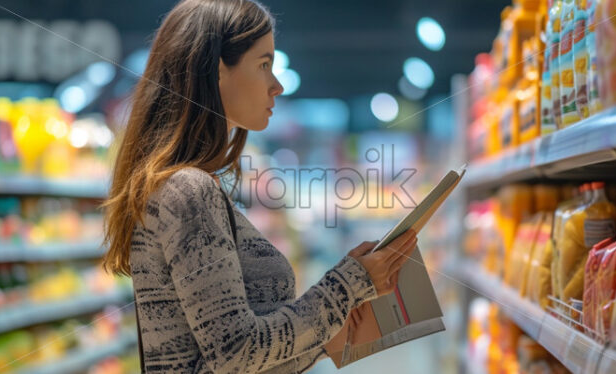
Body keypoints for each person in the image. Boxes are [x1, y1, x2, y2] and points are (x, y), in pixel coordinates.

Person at [101, 0, 418, 372]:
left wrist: (332, 328)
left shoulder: (184, 187)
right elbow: (236, 351)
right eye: (264, 65)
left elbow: (227, 359)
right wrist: (348, 284)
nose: (277, 86)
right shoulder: (189, 191)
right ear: (217, 70)